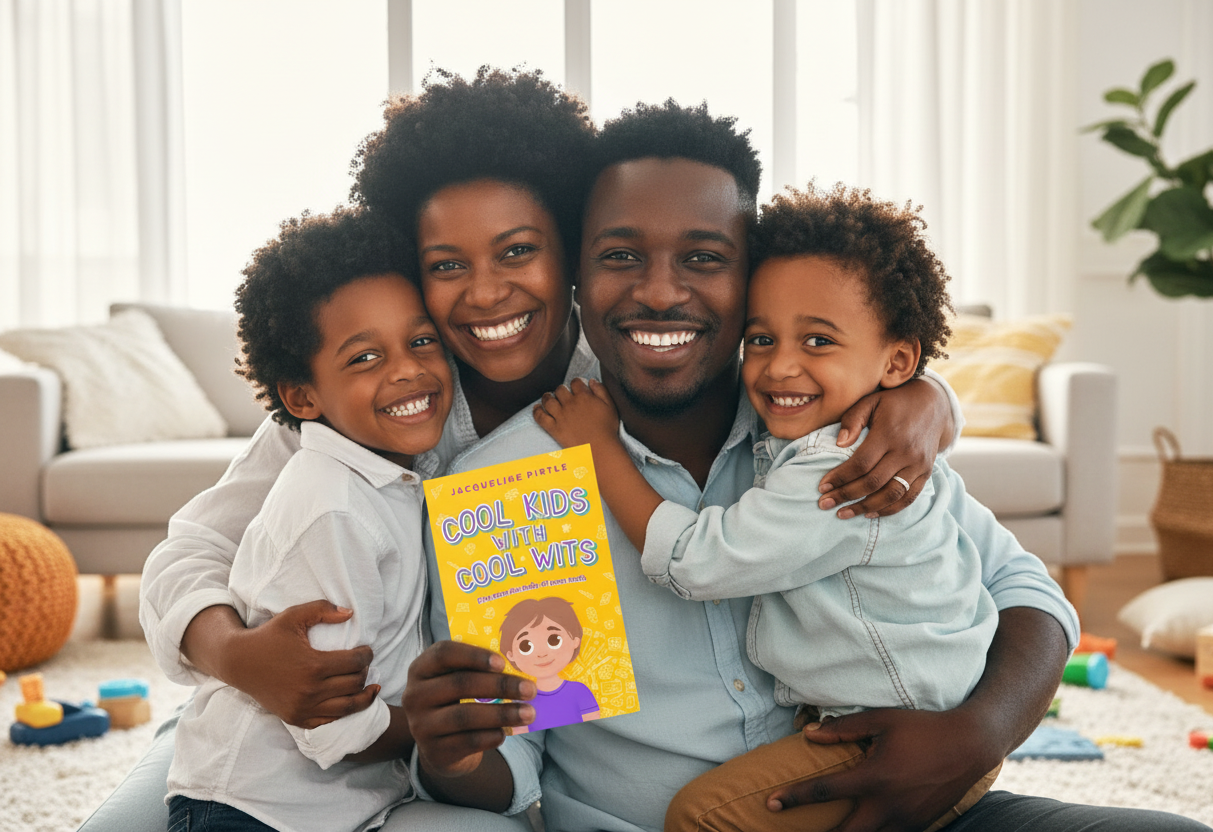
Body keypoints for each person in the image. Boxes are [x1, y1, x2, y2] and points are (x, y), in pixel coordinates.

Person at [84, 69, 954, 832]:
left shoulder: (673, 371)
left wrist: (926, 399)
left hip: (406, 752)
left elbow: (971, 548)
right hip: (269, 735)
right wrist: (235, 656)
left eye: (518, 251)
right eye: (447, 265)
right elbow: (192, 552)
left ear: (568, 254)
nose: (488, 292)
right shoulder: (358, 408)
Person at [403, 101, 1213, 832]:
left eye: (704, 258)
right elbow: (514, 765)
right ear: (577, 273)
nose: (660, 292)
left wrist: (976, 735)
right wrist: (453, 751)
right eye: (620, 256)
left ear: (751, 272)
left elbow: (1023, 588)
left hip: (918, 808)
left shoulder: (837, 423)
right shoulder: (510, 486)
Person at [534, 182, 1004, 831]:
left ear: (898, 361)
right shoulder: (826, 432)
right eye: (760, 340)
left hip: (901, 735)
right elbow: (536, 710)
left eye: (817, 342)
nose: (780, 367)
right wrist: (928, 396)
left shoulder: (847, 467)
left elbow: (697, 560)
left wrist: (597, 449)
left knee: (699, 817)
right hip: (887, 714)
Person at [163, 206, 452, 832]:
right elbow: (333, 725)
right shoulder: (333, 508)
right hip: (250, 810)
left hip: (336, 806)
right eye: (365, 357)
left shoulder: (390, 475)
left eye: (421, 341)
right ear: (302, 397)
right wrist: (437, 727)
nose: (407, 369)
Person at [499, 596, 601, 733]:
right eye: (526, 646)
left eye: (554, 639)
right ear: (510, 654)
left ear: (575, 641)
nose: (541, 654)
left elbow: (594, 728)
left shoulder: (579, 691)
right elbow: (521, 736)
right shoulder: (521, 702)